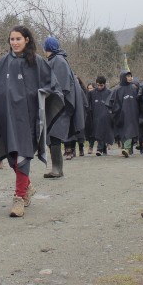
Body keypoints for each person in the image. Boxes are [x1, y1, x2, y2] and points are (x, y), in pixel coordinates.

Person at [0, 25, 60, 218]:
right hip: (7, 118)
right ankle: (27, 185)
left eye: (18, 39)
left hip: (28, 119)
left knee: (22, 156)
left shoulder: (37, 62)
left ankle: (19, 198)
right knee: (12, 156)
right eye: (12, 39)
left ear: (27, 40)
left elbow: (52, 86)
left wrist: (39, 96)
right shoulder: (2, 62)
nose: (14, 43)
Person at [42, 36, 84, 178]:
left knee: (54, 136)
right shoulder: (56, 59)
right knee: (52, 136)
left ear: (46, 48)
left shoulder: (58, 61)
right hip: (57, 105)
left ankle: (57, 169)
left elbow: (60, 86)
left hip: (61, 106)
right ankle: (57, 169)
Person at [109, 70, 142, 157]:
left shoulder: (134, 88)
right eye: (127, 76)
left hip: (133, 113)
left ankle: (127, 149)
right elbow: (111, 102)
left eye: (131, 76)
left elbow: (139, 100)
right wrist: (115, 112)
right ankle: (126, 148)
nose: (130, 78)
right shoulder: (117, 89)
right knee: (124, 131)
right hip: (121, 115)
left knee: (130, 130)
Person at [88, 76, 115, 156]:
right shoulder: (92, 93)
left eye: (101, 85)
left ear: (104, 84)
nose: (99, 87)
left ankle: (99, 149)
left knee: (102, 130)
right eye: (98, 85)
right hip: (95, 115)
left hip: (106, 116)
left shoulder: (109, 92)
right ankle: (103, 148)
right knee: (98, 132)